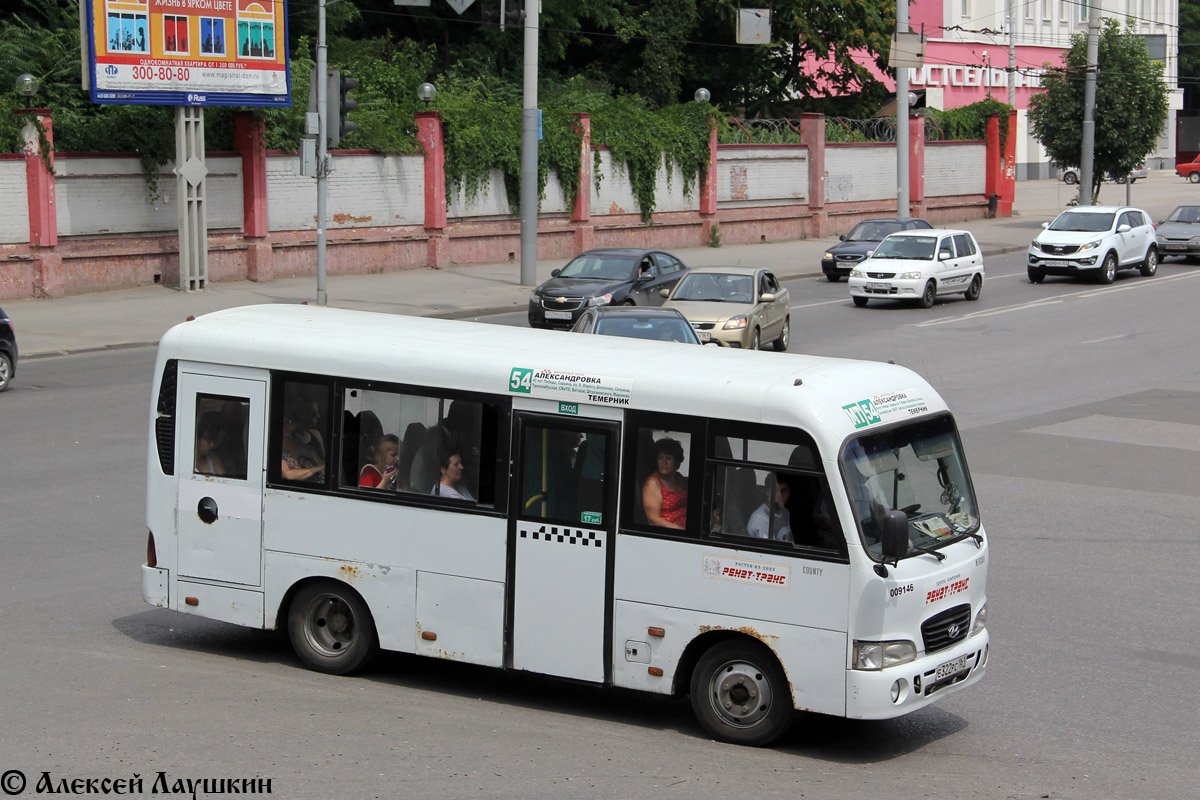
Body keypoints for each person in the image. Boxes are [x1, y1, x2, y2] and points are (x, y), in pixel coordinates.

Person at [642, 437, 687, 529]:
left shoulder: (680, 478)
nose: (664, 462)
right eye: (660, 458)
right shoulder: (652, 484)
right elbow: (653, 520)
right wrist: (681, 529)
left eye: (668, 458)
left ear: (677, 462)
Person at [281, 399, 325, 482]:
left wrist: (321, 469)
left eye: (288, 422)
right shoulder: (276, 449)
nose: (286, 426)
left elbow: (321, 463)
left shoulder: (299, 444)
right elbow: (287, 475)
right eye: (282, 423)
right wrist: (314, 470)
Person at [746, 473, 793, 543]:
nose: (780, 495)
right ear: (767, 491)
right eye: (776, 490)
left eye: (783, 491)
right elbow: (769, 550)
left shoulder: (785, 512)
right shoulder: (760, 519)